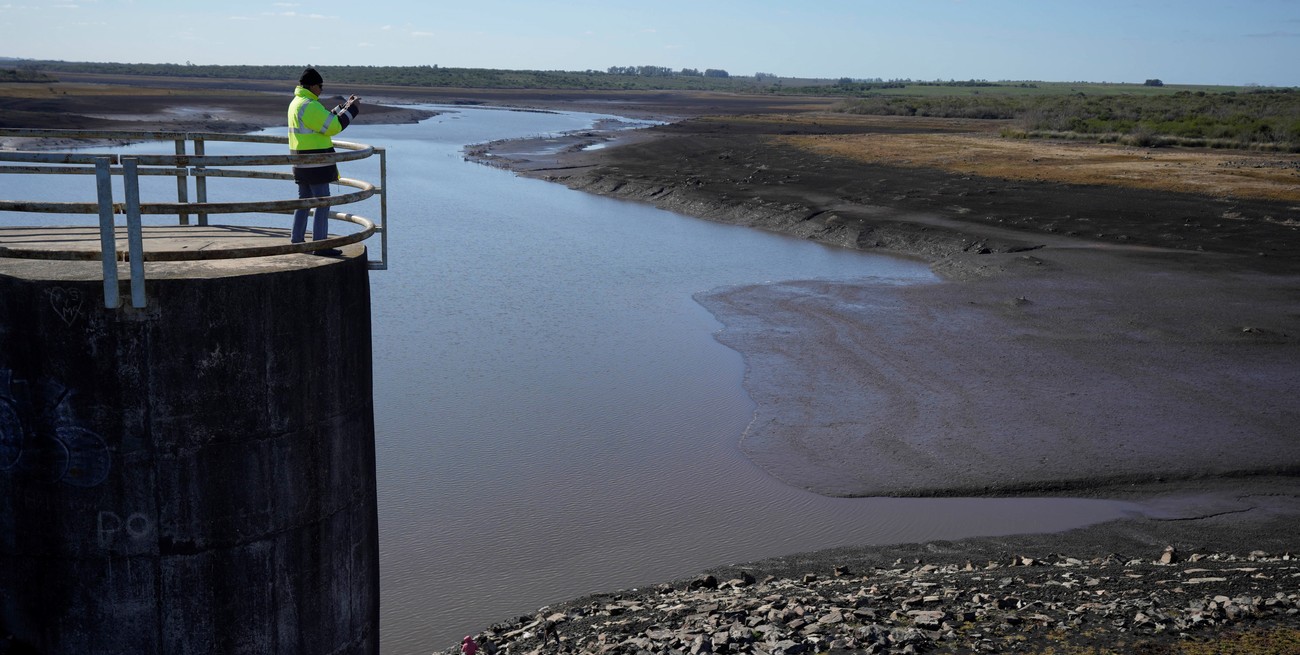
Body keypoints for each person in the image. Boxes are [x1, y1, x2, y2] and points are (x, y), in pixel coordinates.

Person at [287, 67, 361, 255]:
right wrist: (352, 110)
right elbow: (332, 126)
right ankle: (320, 245)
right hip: (316, 162)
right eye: (320, 86)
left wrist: (343, 106)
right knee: (323, 203)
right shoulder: (309, 105)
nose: (322, 89)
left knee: (303, 201)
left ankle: (297, 240)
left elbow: (323, 119)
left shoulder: (297, 102)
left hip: (300, 161)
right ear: (312, 86)